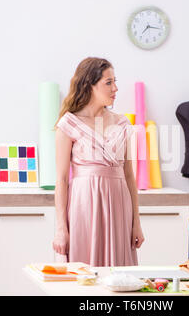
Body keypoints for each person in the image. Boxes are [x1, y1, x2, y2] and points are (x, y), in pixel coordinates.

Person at [52, 57, 144, 266]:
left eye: (115, 81)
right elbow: (62, 179)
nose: (116, 88)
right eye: (108, 82)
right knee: (83, 272)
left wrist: (136, 222)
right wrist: (60, 228)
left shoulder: (121, 123)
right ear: (90, 85)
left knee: (119, 276)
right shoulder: (68, 123)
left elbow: (129, 175)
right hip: (84, 207)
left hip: (120, 206)